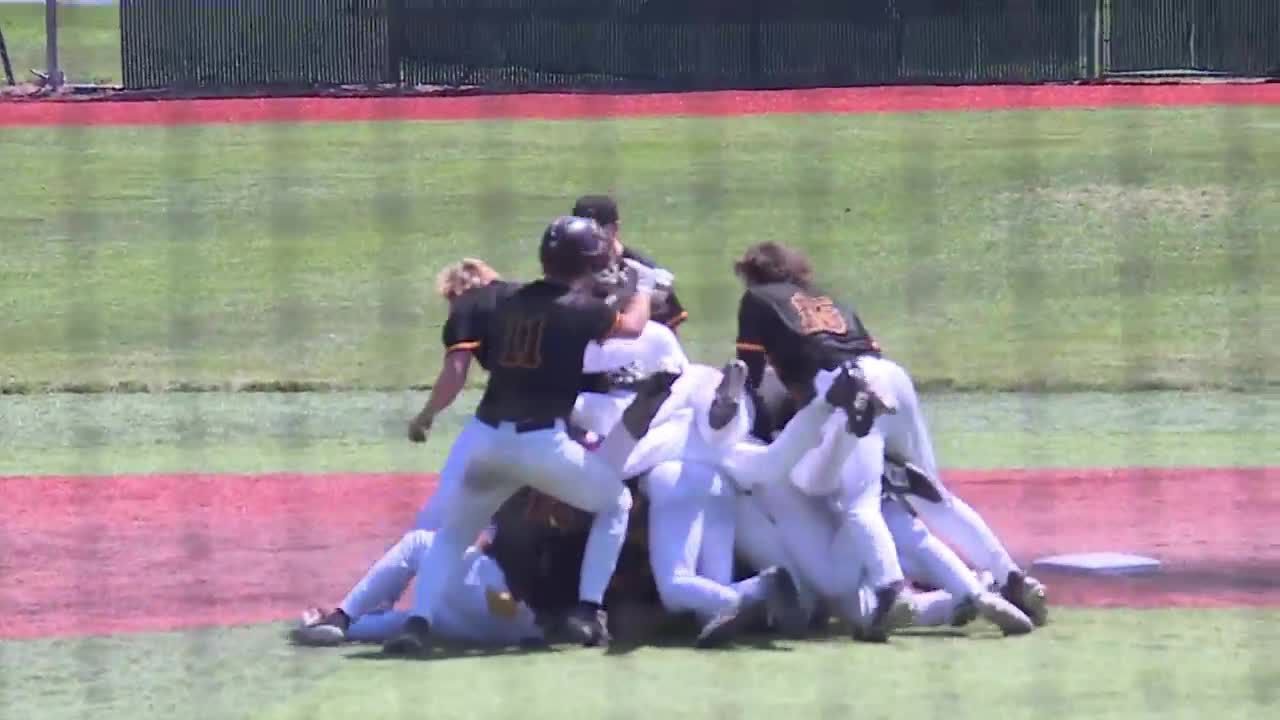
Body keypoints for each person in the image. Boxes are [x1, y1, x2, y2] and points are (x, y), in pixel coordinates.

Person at [382, 216, 673, 654]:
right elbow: (632, 327)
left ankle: (418, 624)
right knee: (616, 503)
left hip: (485, 439)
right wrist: (644, 288)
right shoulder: (583, 310)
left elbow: (469, 346)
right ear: (590, 264)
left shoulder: (500, 297)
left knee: (452, 535)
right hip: (541, 446)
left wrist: (426, 414)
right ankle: (587, 610)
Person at [733, 241, 1047, 628]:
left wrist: (756, 425)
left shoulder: (756, 299)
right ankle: (1011, 576)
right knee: (934, 497)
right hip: (890, 377)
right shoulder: (827, 298)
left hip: (844, 388)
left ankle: (890, 588)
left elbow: (747, 371)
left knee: (858, 503)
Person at [408, 258, 518, 531]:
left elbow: (455, 375)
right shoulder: (522, 294)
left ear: (457, 290)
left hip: (503, 416)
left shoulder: (467, 307)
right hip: (562, 412)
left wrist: (425, 416)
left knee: (444, 504)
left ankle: (418, 553)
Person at [572, 195, 688, 331]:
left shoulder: (647, 274)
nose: (588, 237)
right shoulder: (569, 271)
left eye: (596, 230)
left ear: (615, 228)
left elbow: (667, 336)